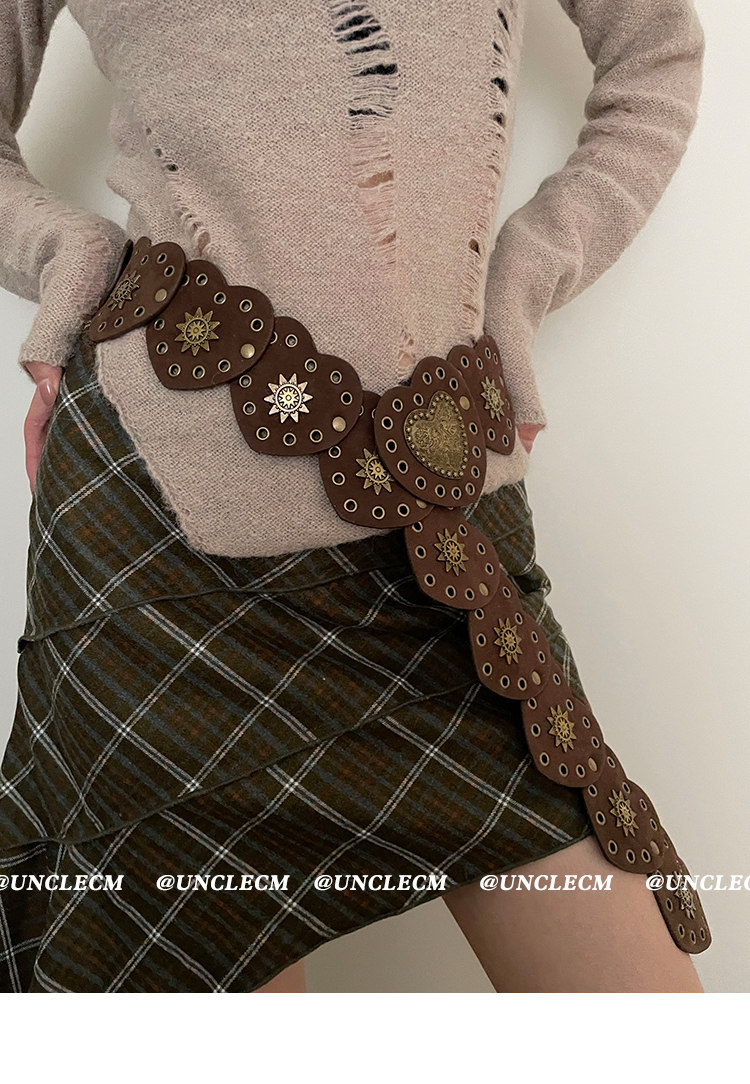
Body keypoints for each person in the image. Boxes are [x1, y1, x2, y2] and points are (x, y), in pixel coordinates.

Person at [0, 0, 708, 993]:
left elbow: (657, 52)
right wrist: (67, 256)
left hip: (441, 531)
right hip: (166, 540)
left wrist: (518, 285)